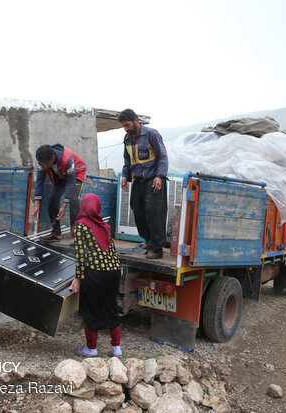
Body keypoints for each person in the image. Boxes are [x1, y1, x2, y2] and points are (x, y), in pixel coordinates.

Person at [69, 194, 122, 358]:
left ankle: (91, 349)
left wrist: (78, 277)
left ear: (83, 206)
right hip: (114, 272)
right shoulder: (105, 226)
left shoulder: (80, 226)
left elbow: (81, 256)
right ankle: (116, 349)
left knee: (90, 309)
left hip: (94, 273)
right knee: (110, 308)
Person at [119, 109, 169, 259]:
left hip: (153, 179)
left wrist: (160, 176)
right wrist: (124, 176)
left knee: (153, 211)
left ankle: (157, 247)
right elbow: (127, 161)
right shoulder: (127, 139)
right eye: (124, 126)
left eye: (127, 125)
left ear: (135, 120)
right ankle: (149, 240)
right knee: (137, 209)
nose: (126, 129)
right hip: (137, 181)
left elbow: (162, 157)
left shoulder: (151, 134)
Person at [33, 144, 87, 240]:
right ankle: (56, 233)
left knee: (73, 200)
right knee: (52, 199)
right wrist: (36, 205)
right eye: (42, 164)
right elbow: (39, 181)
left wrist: (64, 205)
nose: (44, 166)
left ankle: (76, 236)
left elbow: (71, 181)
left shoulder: (67, 159)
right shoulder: (42, 162)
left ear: (53, 158)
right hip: (61, 176)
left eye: (46, 164)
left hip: (76, 174)